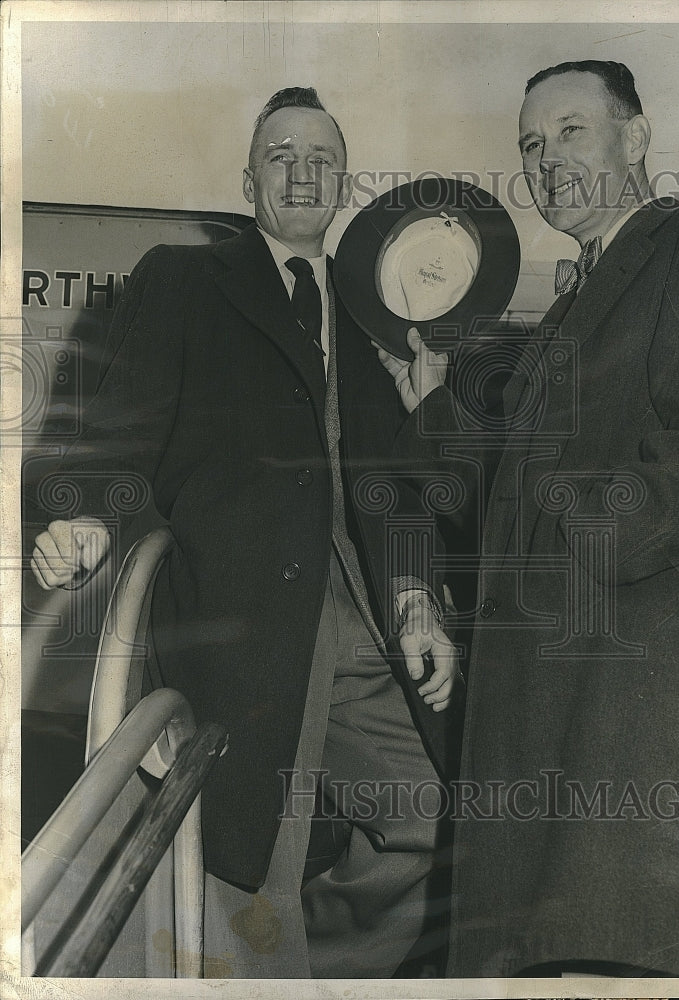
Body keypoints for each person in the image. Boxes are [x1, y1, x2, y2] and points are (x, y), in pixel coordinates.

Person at [29, 86, 462, 979]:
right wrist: (79, 512)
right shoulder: (184, 278)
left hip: (366, 628)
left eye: (320, 160)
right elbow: (120, 429)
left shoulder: (370, 312)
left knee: (439, 821)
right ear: (248, 179)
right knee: (249, 867)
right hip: (245, 625)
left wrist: (418, 597)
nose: (301, 174)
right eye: (281, 157)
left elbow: (400, 487)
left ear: (343, 182)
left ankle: (315, 974)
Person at [378, 60, 679, 979]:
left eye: (572, 132)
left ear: (636, 138)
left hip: (634, 737)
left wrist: (594, 530)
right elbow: (518, 484)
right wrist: (430, 411)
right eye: (531, 146)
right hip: (560, 739)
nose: (547, 160)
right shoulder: (572, 303)